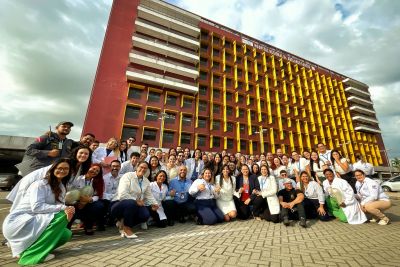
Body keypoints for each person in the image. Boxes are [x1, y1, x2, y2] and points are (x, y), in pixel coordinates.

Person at [2, 158, 75, 265]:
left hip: (35, 221)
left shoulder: (61, 187)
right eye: (59, 168)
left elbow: (57, 206)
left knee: (66, 234)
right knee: (61, 215)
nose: (62, 171)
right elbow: (37, 207)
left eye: (66, 169)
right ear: (52, 169)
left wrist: (69, 209)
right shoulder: (40, 184)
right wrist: (64, 208)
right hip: (19, 222)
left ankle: (29, 248)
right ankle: (31, 255)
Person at [111, 161, 158, 238]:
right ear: (137, 167)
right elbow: (122, 194)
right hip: (118, 204)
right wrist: (136, 201)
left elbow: (149, 195)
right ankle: (127, 228)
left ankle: (122, 224)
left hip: (134, 205)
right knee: (131, 203)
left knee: (145, 215)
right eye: (141, 167)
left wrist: (154, 203)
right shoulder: (127, 176)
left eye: (145, 168)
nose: (143, 169)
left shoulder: (146, 181)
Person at [68, 164, 106, 235]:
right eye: (93, 169)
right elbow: (71, 191)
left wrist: (90, 199)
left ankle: (88, 226)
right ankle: (67, 227)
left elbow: (98, 195)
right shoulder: (78, 178)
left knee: (97, 206)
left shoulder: (97, 181)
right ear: (89, 168)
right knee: (71, 207)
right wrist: (79, 201)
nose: (94, 171)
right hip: (76, 201)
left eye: (97, 171)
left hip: (88, 201)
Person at [102, 160, 122, 225]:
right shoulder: (104, 178)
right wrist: (112, 197)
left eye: (117, 166)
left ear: (120, 167)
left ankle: (112, 218)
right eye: (113, 166)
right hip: (107, 200)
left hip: (118, 199)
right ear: (110, 167)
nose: (115, 168)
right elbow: (103, 193)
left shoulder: (123, 178)